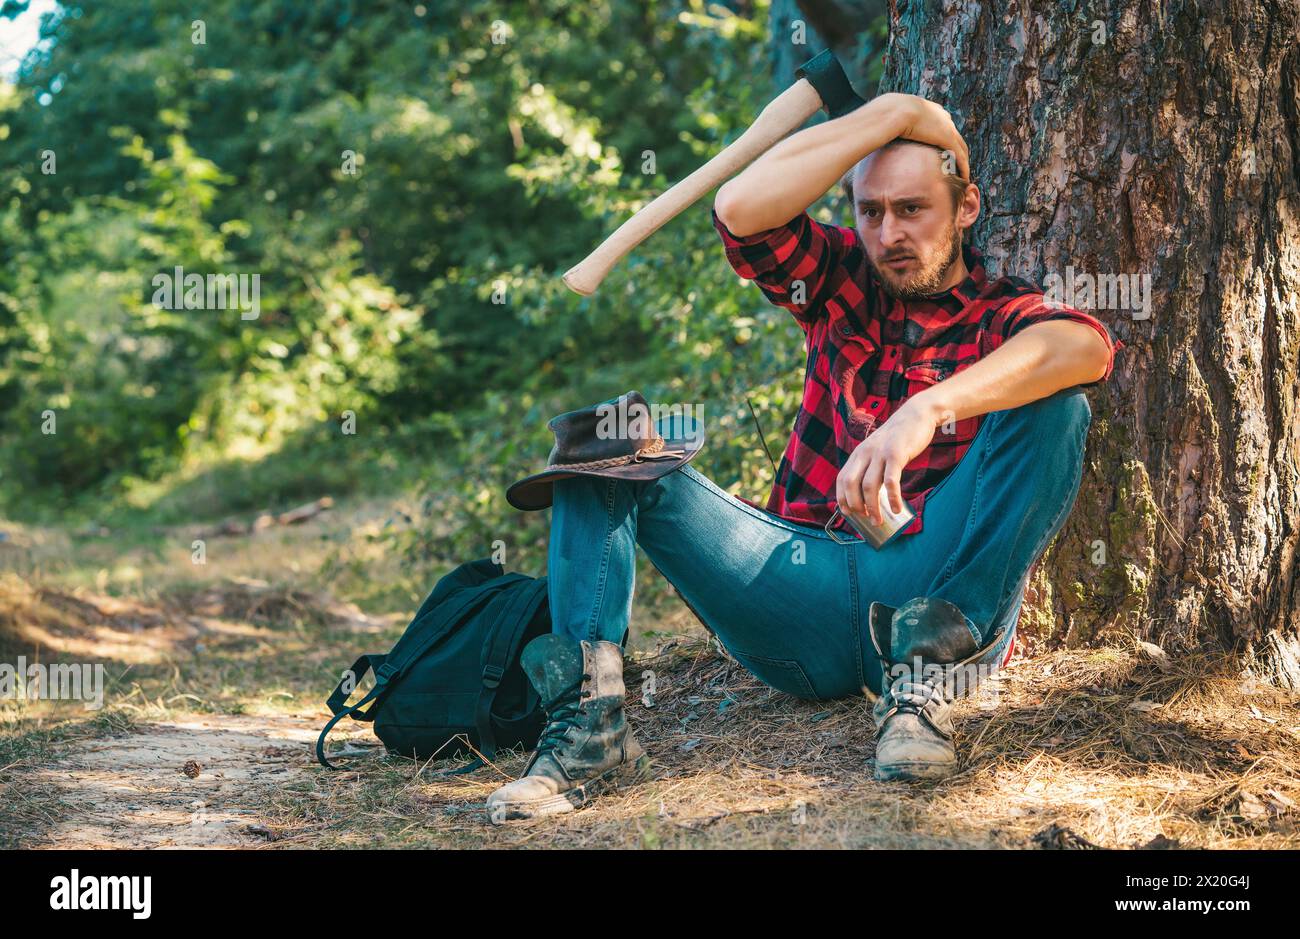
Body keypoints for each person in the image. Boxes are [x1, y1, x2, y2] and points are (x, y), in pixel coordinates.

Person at [485, 93, 1117, 824]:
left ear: (967, 206)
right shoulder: (837, 279)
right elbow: (742, 205)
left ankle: (923, 683)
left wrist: (927, 409)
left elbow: (1085, 347)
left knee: (1058, 404)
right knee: (607, 441)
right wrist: (893, 116)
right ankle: (589, 729)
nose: (889, 233)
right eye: (871, 210)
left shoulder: (999, 311)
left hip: (923, 585)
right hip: (793, 586)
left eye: (912, 209)